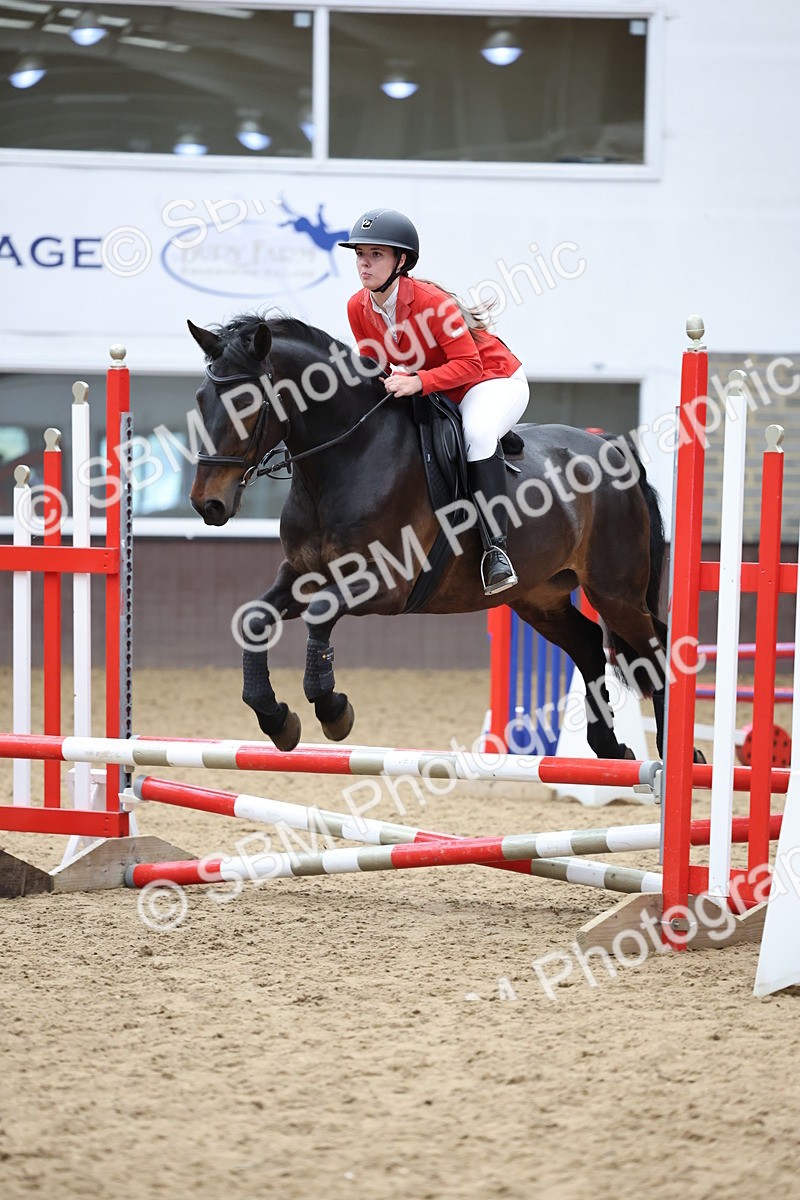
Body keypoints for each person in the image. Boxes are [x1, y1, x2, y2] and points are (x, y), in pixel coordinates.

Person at [339, 207, 529, 596]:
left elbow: (470, 365)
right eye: (360, 254)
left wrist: (418, 381)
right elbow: (375, 367)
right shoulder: (357, 306)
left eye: (376, 254)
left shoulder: (431, 302)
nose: (364, 264)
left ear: (401, 261)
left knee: (477, 433)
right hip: (440, 391)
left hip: (491, 380)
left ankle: (496, 552)